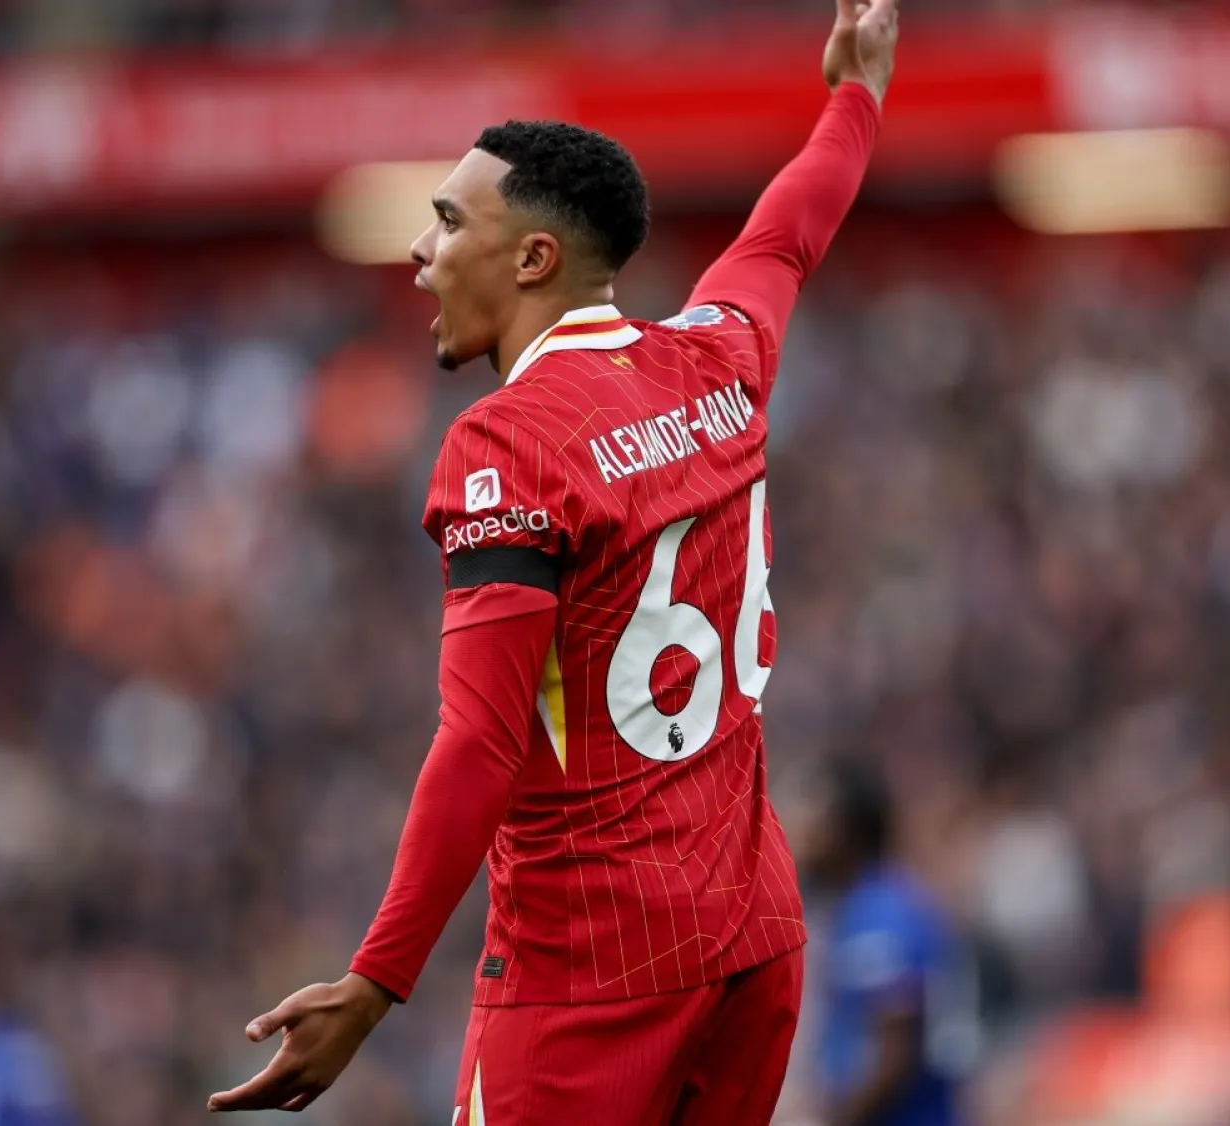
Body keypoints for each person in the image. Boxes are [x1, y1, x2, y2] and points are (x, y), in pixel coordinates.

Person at [208, 1, 900, 1121]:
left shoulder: (507, 444)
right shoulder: (718, 356)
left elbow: (481, 742)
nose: (420, 253)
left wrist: (375, 983)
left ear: (534, 257)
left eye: (447, 223)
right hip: (753, 940)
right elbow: (788, 232)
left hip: (593, 967)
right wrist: (855, 98)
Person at [805, 759, 979, 1126]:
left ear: (846, 826)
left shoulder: (883, 918)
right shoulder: (858, 907)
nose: (800, 827)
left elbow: (895, 1055)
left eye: (813, 811)